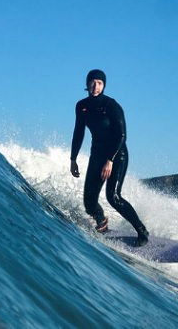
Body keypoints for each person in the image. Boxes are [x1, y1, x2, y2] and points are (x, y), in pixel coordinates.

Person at [69, 69, 149, 247]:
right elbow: (78, 132)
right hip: (97, 155)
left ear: (104, 85)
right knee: (89, 203)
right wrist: (73, 158)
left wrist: (110, 160)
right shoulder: (81, 106)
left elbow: (122, 136)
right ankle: (102, 222)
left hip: (117, 155)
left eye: (99, 83)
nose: (95, 86)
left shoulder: (111, 105)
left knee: (113, 197)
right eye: (93, 82)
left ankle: (142, 231)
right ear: (87, 83)